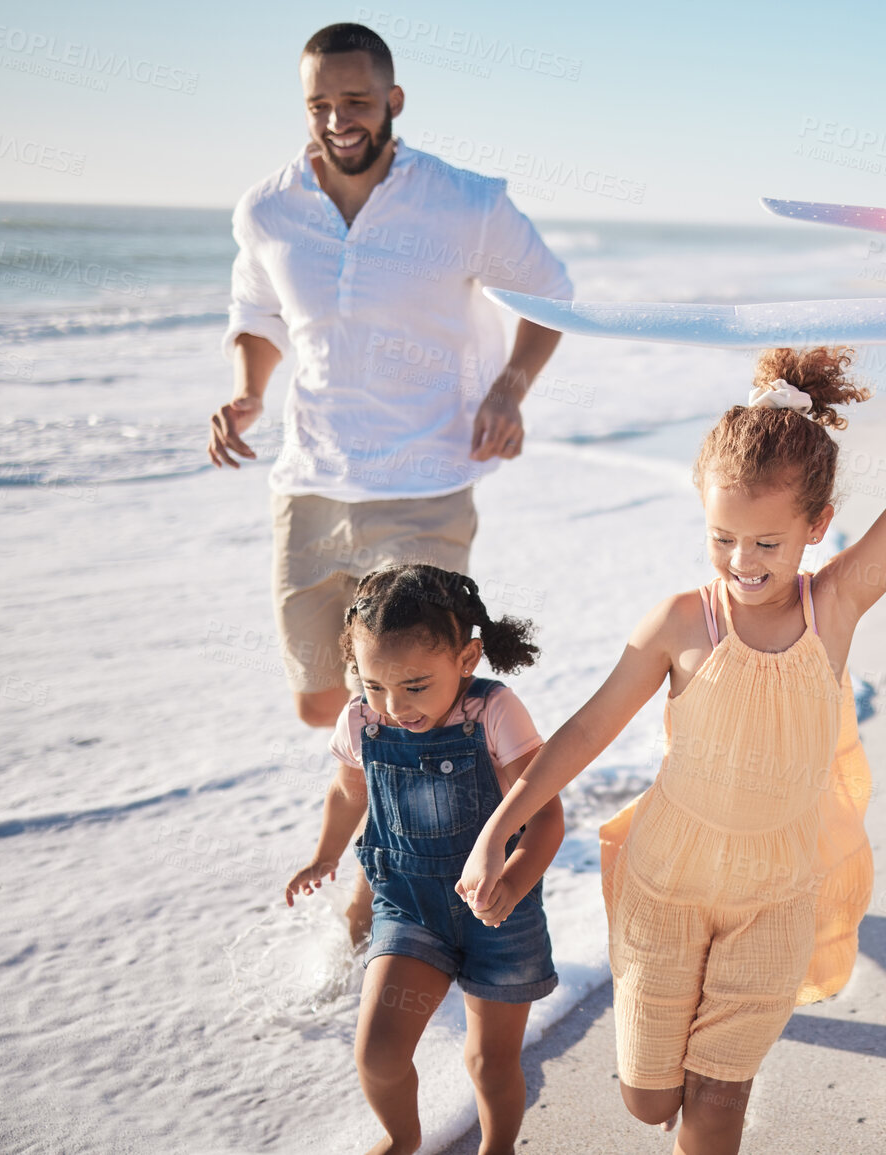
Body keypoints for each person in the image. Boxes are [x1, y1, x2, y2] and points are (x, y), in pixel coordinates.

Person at [457, 275, 886, 1153]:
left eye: (767, 542)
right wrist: (502, 819)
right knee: (651, 1102)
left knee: (719, 1097)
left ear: (818, 526)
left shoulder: (832, 608)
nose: (743, 561)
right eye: (722, 538)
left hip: (775, 893)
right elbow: (584, 730)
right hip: (667, 882)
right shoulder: (683, 623)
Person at [211, 22, 569, 942]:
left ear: (394, 102)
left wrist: (510, 389)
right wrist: (248, 392)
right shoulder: (266, 209)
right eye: (320, 105)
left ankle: (410, 873)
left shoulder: (462, 201)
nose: (338, 120)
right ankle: (413, 816)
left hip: (424, 482)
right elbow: (256, 312)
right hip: (313, 484)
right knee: (323, 700)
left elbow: (550, 293)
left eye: (356, 102)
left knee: (423, 703)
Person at [285, 564, 562, 1155]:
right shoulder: (362, 719)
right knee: (379, 1053)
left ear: (467, 659)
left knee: (490, 1061)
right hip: (408, 905)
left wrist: (512, 883)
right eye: (374, 684)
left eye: (414, 686)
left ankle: (499, 1147)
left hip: (499, 916)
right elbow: (348, 792)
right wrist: (322, 856)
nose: (394, 705)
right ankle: (403, 1139)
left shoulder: (492, 710)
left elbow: (544, 815)